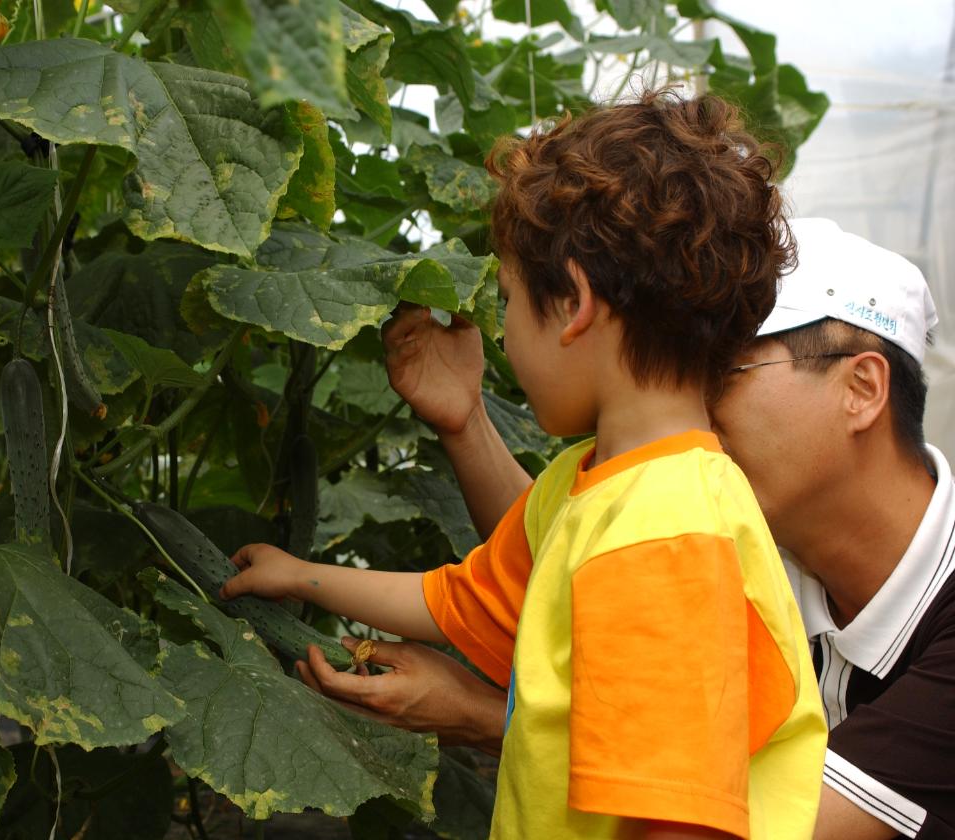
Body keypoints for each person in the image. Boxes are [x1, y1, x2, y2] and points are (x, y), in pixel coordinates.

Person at [221, 90, 828, 839]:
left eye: (507, 300)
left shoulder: (667, 534)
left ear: (572, 303)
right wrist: (300, 576)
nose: (503, 333)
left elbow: (681, 823)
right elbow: (459, 600)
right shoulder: (591, 481)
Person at [296, 219, 955, 839]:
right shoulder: (741, 525)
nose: (686, 394)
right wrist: (466, 421)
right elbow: (581, 561)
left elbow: (750, 816)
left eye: (721, 370)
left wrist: (483, 715)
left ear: (862, 389)